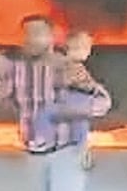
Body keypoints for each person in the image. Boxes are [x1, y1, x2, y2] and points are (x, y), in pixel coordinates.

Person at [0, 15, 112, 191]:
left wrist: (68, 111)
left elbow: (102, 103)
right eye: (26, 35)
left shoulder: (68, 66)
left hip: (67, 151)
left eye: (37, 33)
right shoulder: (16, 70)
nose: (31, 39)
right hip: (33, 152)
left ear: (52, 37)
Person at [28, 30, 107, 170]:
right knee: (80, 125)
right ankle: (80, 153)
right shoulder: (71, 65)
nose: (87, 52)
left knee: (45, 113)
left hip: (74, 101)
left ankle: (41, 141)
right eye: (85, 48)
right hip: (81, 102)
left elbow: (69, 82)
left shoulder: (69, 65)